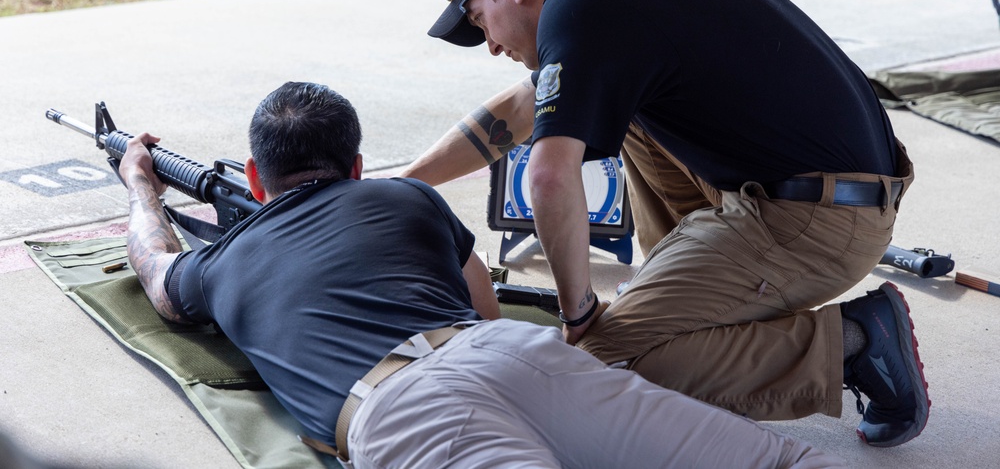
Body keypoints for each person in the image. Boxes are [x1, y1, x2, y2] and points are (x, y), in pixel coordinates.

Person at [402, 0, 930, 447]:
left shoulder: (580, 6)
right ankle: (686, 302)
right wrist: (404, 184)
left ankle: (857, 342)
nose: (490, 44)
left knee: (606, 364)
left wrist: (579, 311)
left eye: (479, 17)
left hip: (815, 220)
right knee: (613, 110)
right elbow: (522, 108)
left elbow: (548, 176)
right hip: (827, 192)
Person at [119, 81, 844, 468]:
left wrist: (140, 182)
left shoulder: (224, 259)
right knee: (776, 461)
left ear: (254, 175)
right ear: (358, 166)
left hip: (398, 406)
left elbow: (156, 268)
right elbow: (481, 302)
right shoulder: (405, 194)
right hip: (506, 354)